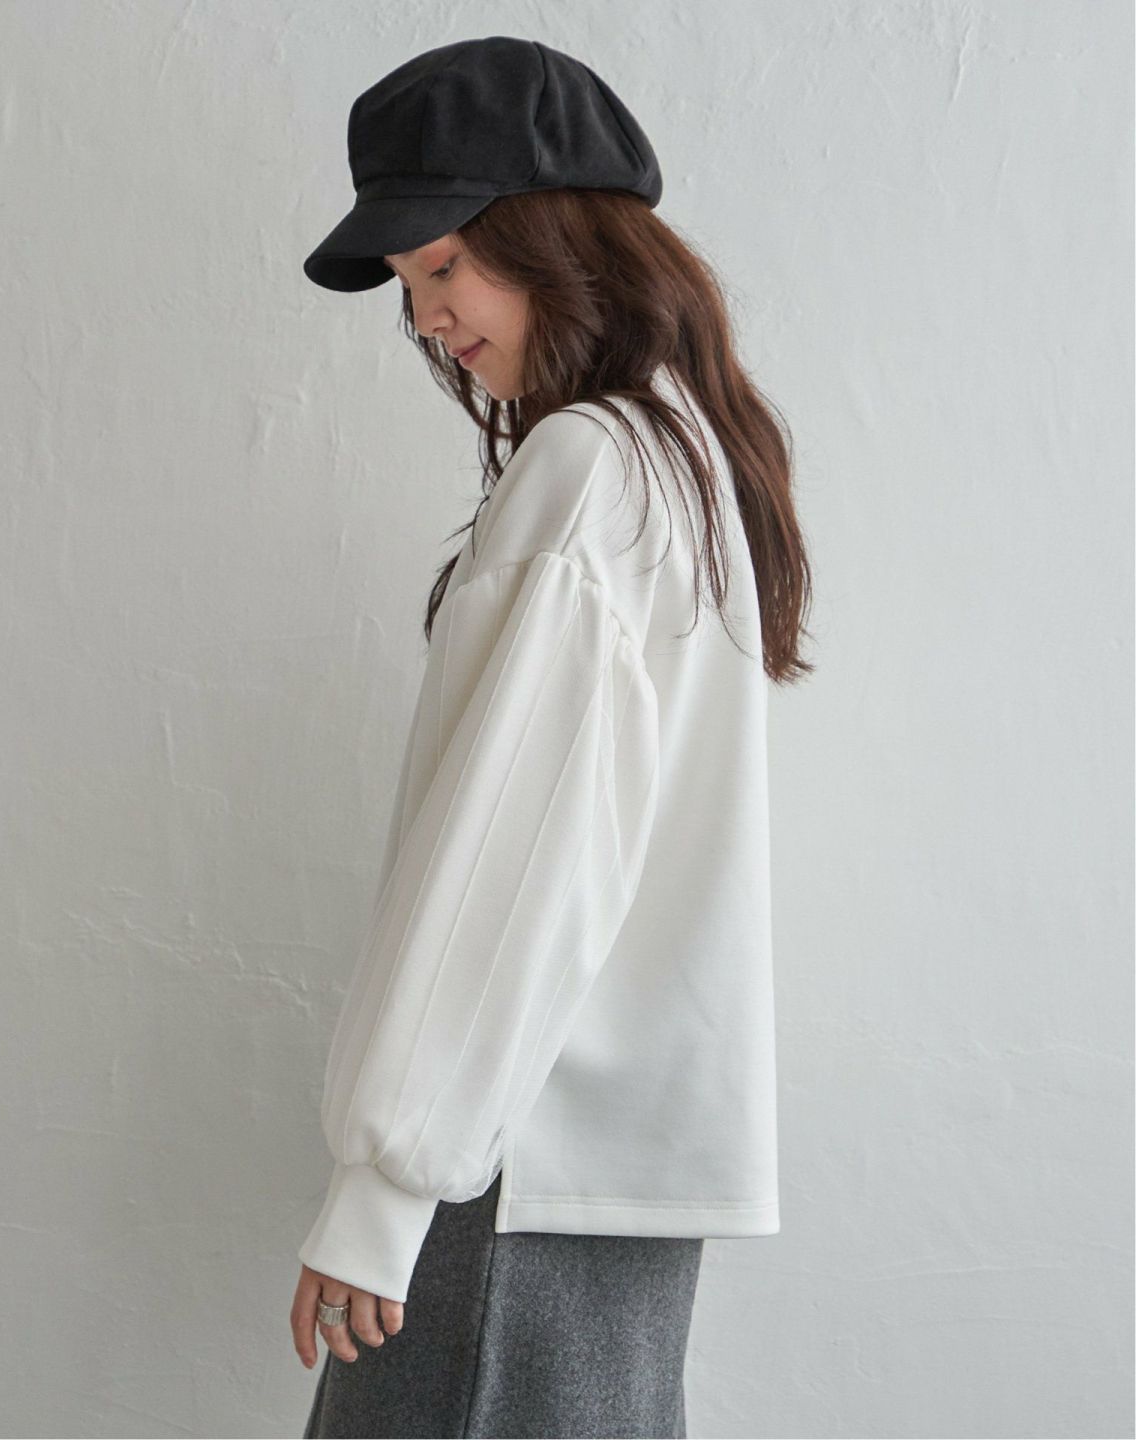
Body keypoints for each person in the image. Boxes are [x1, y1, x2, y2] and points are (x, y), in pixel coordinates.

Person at [288, 35, 814, 1440]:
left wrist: (385, 1183)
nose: (428, 319)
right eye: (407, 288)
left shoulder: (586, 465)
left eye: (446, 265)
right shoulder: (682, 455)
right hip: (603, 1162)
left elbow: (519, 851)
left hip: (511, 1157)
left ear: (556, 236)